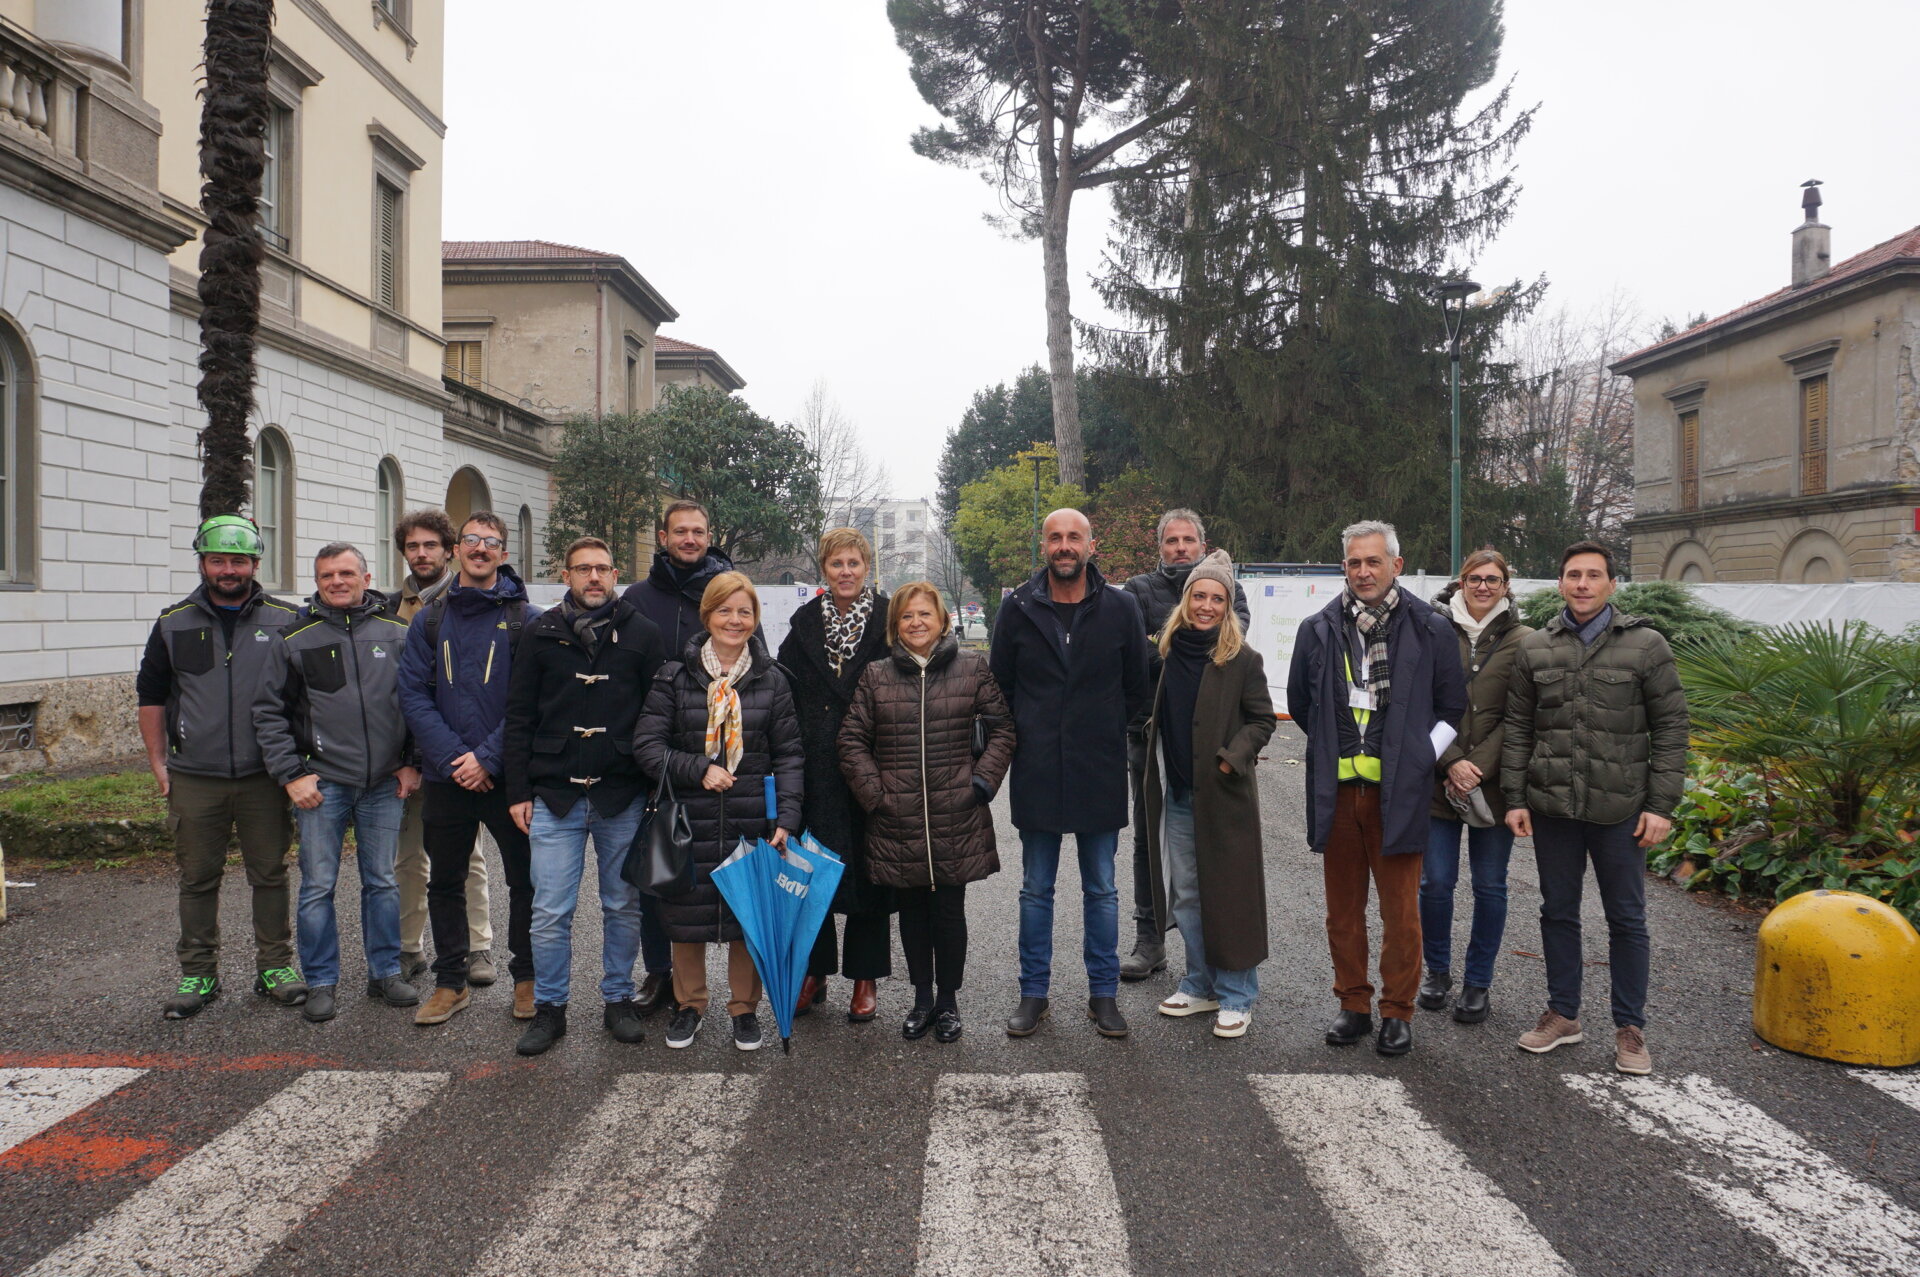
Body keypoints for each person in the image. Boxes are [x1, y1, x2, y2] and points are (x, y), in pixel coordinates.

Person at [1504, 540, 1689, 1076]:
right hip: (1554, 806)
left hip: (1622, 810)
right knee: (1557, 912)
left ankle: (1630, 1028)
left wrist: (1661, 805)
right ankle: (1563, 1014)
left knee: (1626, 919)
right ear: (1560, 583)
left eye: (1593, 575)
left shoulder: (1646, 646)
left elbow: (1672, 727)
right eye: (1572, 575)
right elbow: (1519, 728)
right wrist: (1516, 798)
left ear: (1612, 583)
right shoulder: (1536, 647)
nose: (1582, 583)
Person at [1286, 521, 1464, 1057]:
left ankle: (1397, 1011)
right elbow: (1300, 704)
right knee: (1342, 912)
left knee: (1400, 913)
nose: (1364, 572)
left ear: (1396, 566)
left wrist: (1416, 760)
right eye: (1354, 563)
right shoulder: (1317, 629)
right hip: (1338, 796)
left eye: (1374, 562)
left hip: (1399, 797)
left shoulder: (1430, 628)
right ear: (1344, 568)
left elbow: (1452, 709)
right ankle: (1354, 1005)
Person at [989, 508, 1151, 1040]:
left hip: (1098, 768)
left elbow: (1137, 688)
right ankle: (1033, 995)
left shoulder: (1122, 608)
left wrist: (1102, 730)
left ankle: (1103, 996)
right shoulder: (1016, 609)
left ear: (1090, 545)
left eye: (1073, 537)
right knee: (1036, 889)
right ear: (1044, 546)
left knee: (1102, 889)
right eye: (1055, 537)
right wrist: (1030, 734)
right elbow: (1000, 690)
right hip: (1036, 769)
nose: (1064, 546)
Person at [503, 536, 667, 1055]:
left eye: (601, 569)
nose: (593, 578)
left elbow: (657, 715)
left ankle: (618, 998)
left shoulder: (643, 633)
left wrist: (650, 786)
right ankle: (550, 1009)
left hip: (622, 793)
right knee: (550, 910)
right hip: (554, 793)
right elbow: (519, 715)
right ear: (567, 576)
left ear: (615, 573)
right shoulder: (539, 631)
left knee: (623, 904)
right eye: (582, 570)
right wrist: (517, 790)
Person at [138, 515, 305, 1019]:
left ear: (255, 564)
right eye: (218, 560)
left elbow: (302, 698)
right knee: (197, 877)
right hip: (196, 776)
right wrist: (158, 762)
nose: (228, 569)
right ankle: (198, 973)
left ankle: (275, 966)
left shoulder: (286, 620)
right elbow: (151, 697)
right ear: (202, 562)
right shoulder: (173, 622)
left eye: (238, 560)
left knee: (270, 874)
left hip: (265, 776)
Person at [838, 582, 1015, 1044]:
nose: (916, 623)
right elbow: (851, 741)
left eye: (925, 614)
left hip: (956, 812)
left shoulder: (972, 667)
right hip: (897, 817)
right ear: (894, 626)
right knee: (912, 914)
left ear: (942, 620)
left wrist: (981, 783)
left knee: (949, 913)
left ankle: (949, 1002)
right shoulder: (877, 676)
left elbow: (1002, 730)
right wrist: (876, 796)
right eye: (906, 616)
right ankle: (921, 1000)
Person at [253, 543, 421, 1024]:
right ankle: (322, 980)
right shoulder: (295, 638)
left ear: (367, 578)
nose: (338, 582)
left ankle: (385, 972)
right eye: (328, 575)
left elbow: (418, 703)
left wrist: (413, 762)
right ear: (318, 581)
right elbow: (269, 714)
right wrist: (292, 774)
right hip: (321, 785)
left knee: (383, 882)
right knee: (317, 886)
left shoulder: (398, 634)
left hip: (384, 783)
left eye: (347, 573)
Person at [636, 572, 804, 1052]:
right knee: (684, 917)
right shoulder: (674, 677)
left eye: (744, 612)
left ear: (755, 620)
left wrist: (786, 819)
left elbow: (791, 754)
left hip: (752, 817)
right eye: (725, 610)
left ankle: (744, 1010)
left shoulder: (772, 681)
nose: (735, 620)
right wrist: (698, 769)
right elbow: (647, 747)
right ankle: (690, 1005)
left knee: (745, 917)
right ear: (706, 615)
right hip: (688, 818)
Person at [397, 512, 538, 1027]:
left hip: (508, 778)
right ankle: (450, 982)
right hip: (448, 776)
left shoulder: (529, 619)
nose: (480, 549)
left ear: (503, 554)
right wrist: (457, 759)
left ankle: (526, 980)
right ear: (457, 550)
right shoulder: (429, 620)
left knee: (524, 883)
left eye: (491, 543)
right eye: (472, 540)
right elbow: (412, 694)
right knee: (445, 882)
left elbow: (531, 701)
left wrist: (487, 758)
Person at [1141, 551, 1276, 1038]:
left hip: (1222, 796)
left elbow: (1262, 719)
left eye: (1216, 598)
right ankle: (1200, 984)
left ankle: (1238, 994)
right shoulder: (1170, 652)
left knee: (1231, 895)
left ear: (1227, 605)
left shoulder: (1242, 659)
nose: (1206, 605)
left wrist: (1230, 758)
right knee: (1189, 894)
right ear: (1185, 600)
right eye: (1199, 595)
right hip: (1177, 794)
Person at [1121, 508, 1251, 982]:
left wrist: (1166, 644)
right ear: (1159, 546)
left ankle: (1215, 953)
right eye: (1171, 541)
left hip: (1213, 739)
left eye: (1188, 540)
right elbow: (1136, 660)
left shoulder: (1227, 590)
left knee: (1215, 846)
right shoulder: (1138, 591)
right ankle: (1149, 939)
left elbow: (1231, 655)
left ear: (1202, 543)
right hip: (1148, 735)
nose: (1180, 548)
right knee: (1146, 841)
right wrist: (1179, 648)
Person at [617, 498, 735, 1009]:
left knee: (721, 870)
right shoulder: (639, 599)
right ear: (662, 537)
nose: (690, 539)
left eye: (698, 531)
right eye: (680, 531)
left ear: (710, 537)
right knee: (658, 869)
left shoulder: (728, 592)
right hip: (656, 755)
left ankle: (731, 991)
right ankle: (660, 972)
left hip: (721, 761)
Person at [776, 529, 894, 1024]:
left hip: (873, 761)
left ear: (867, 567)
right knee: (813, 871)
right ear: (823, 569)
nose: (845, 572)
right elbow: (782, 687)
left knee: (870, 873)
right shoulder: (805, 621)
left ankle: (864, 977)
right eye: (835, 563)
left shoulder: (889, 618)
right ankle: (815, 971)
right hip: (817, 767)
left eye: (854, 563)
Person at [1418, 550, 1532, 1026]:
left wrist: (1476, 766)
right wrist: (1451, 762)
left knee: (1490, 886)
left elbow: (1523, 715)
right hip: (1439, 779)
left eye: (1493, 579)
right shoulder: (1434, 630)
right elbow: (1418, 701)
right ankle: (1437, 972)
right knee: (1436, 882)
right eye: (1474, 579)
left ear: (1506, 586)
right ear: (1460, 583)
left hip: (1496, 784)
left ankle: (1477, 982)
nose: (1483, 586)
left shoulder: (1526, 641)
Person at [391, 509, 495, 989]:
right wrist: (404, 760)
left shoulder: (468, 600)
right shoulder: (390, 608)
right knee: (408, 859)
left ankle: (478, 947)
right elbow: (403, 693)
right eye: (413, 547)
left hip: (457, 759)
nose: (422, 554)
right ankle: (409, 948)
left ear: (449, 549)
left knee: (465, 857)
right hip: (407, 759)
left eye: (431, 545)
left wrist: (464, 757)